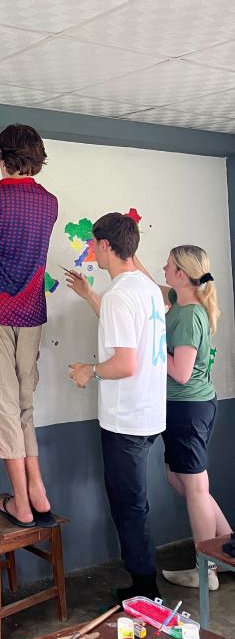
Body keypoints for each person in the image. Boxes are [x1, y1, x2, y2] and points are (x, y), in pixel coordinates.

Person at [66, 212, 167, 600]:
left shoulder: (120, 296)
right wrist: (90, 296)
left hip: (126, 421)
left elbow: (125, 363)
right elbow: (129, 336)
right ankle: (143, 584)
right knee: (134, 504)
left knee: (129, 507)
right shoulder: (144, 289)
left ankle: (145, 591)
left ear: (106, 246)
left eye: (94, 243)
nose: (91, 249)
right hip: (148, 414)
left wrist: (88, 371)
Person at [0, 124, 58, 529]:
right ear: (37, 158)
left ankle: (20, 503)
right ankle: (38, 489)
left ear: (0, 155)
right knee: (23, 403)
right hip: (32, 310)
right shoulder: (50, 203)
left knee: (0, 407)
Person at [134, 246, 231, 591]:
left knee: (193, 486)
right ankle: (226, 545)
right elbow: (151, 284)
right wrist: (131, 260)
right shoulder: (180, 299)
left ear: (182, 274)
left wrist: (154, 341)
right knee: (181, 480)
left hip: (188, 408)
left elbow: (182, 372)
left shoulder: (188, 315)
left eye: (169, 264)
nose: (163, 267)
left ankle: (206, 571)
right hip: (184, 409)